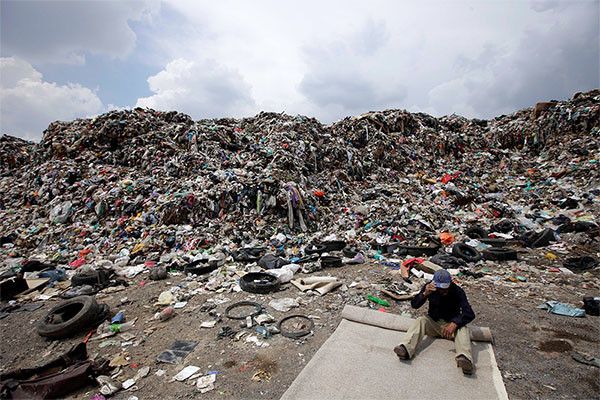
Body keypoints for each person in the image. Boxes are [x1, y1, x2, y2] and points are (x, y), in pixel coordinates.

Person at [393, 269, 475, 374]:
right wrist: (424, 294)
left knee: (463, 329)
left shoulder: (457, 291)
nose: (444, 292)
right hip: (434, 323)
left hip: (451, 327)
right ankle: (405, 348)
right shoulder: (429, 288)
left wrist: (455, 323)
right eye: (441, 289)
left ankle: (465, 359)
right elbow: (415, 305)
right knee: (421, 320)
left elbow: (469, 313)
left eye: (446, 289)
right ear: (435, 285)